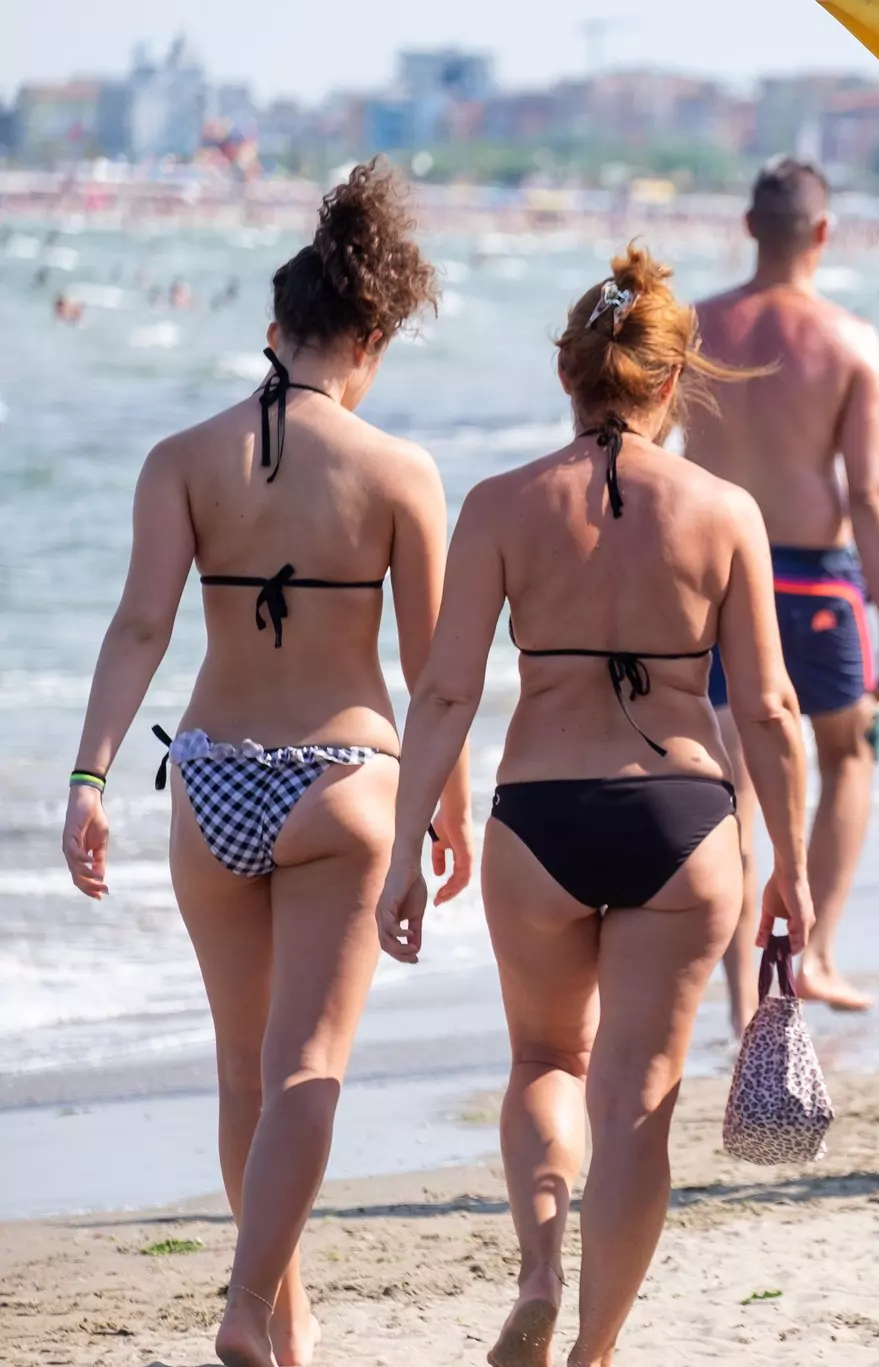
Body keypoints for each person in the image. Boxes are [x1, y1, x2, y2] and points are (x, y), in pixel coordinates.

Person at [373, 244, 815, 1367]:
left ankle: (537, 1269)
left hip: (538, 817)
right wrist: (793, 868)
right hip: (681, 820)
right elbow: (766, 705)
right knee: (635, 1097)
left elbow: (444, 691)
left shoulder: (500, 504)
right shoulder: (724, 510)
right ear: (673, 380)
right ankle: (594, 1351)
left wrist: (406, 847)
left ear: (568, 376)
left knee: (543, 1063)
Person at [61, 162, 467, 1367]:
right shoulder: (400, 473)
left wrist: (88, 778)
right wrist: (448, 807)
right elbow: (430, 665)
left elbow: (139, 626)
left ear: (273, 331)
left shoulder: (182, 458)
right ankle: (250, 1307)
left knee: (244, 1068)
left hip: (209, 775)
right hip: (345, 777)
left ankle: (285, 1323)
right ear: (373, 338)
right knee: (310, 1067)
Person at [691, 156, 879, 1015]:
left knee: (737, 781)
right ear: (823, 234)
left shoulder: (691, 329)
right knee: (843, 756)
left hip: (710, 576)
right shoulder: (850, 340)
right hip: (816, 583)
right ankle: (812, 954)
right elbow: (873, 491)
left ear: (750, 229)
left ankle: (748, 997)